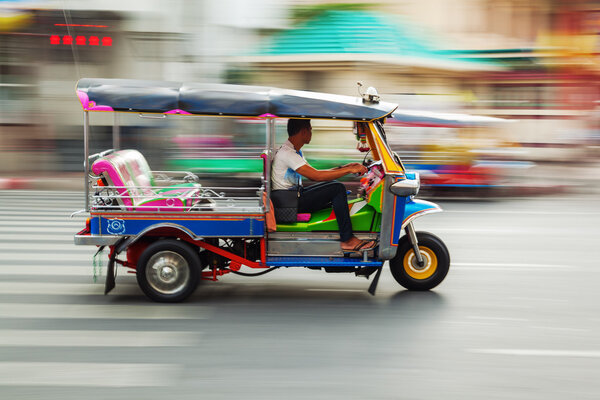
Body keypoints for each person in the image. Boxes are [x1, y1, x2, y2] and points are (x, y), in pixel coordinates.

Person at [271, 118, 376, 252]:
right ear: (304, 131)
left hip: (293, 197)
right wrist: (348, 170)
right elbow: (316, 176)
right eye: (310, 130)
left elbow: (316, 173)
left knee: (333, 186)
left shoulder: (294, 151)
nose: (311, 133)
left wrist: (345, 167)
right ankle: (347, 239)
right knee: (337, 188)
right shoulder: (288, 154)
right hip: (289, 203)